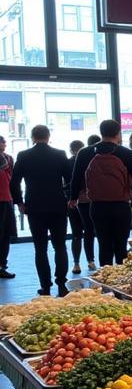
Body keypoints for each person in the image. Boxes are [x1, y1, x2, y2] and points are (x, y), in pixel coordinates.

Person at [69, 119, 132, 266]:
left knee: (103, 244)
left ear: (101, 132)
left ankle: (106, 283)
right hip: (121, 206)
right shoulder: (125, 153)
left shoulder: (85, 153)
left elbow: (76, 178)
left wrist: (73, 198)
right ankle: (121, 282)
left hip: (97, 207)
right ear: (118, 134)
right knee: (120, 245)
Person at [11, 125, 72, 294]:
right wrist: (69, 199)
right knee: (60, 246)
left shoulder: (24, 156)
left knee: (40, 248)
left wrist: (19, 202)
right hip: (57, 205)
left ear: (32, 137)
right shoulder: (59, 154)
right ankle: (61, 284)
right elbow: (70, 179)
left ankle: (45, 286)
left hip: (34, 206)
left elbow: (14, 182)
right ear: (48, 136)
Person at [66, 140, 94, 274]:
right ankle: (90, 261)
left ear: (71, 150)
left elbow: (67, 182)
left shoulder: (68, 162)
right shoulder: (89, 160)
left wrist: (71, 198)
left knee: (76, 233)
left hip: (72, 201)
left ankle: (76, 263)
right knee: (89, 231)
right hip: (86, 200)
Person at [0, 137, 15, 279]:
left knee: (6, 233)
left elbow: (12, 176)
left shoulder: (8, 158)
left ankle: (2, 265)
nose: (4, 144)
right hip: (3, 198)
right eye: (2, 142)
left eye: (4, 142)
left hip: (7, 198)